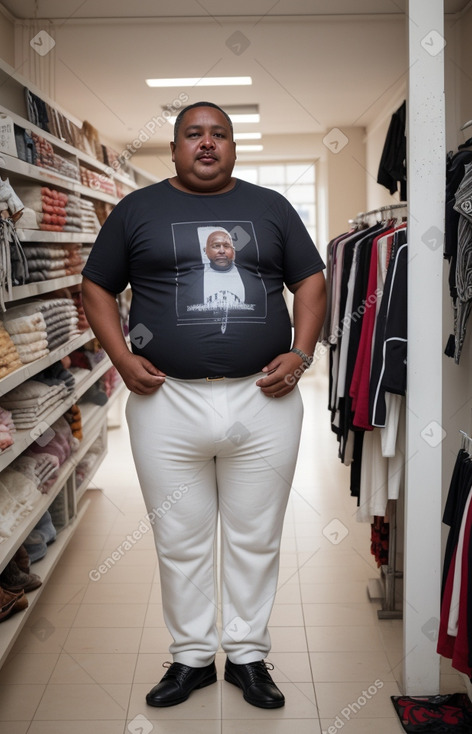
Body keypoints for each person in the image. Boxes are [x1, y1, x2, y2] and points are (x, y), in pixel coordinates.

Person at [81, 101, 327, 710]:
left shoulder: (271, 208)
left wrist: (301, 353)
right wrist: (119, 357)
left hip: (263, 398)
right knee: (180, 536)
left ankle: (247, 656)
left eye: (219, 134)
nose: (207, 143)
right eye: (193, 134)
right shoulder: (137, 209)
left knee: (256, 535)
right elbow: (96, 286)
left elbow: (312, 281)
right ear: (173, 149)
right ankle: (191, 658)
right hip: (166, 399)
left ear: (235, 147)